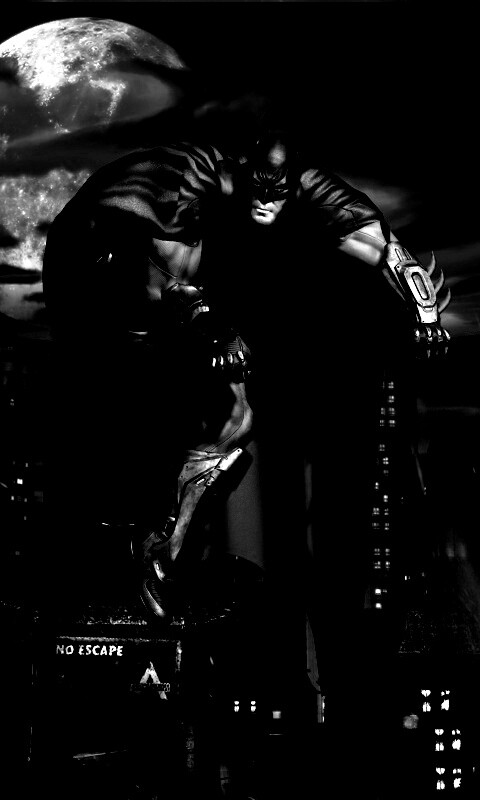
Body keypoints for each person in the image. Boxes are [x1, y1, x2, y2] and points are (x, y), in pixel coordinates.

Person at [42, 130, 450, 620]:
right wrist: (214, 332)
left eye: (277, 192)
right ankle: (107, 528)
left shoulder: (308, 187)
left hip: (186, 302)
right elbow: (165, 286)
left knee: (237, 420)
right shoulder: (187, 184)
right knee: (135, 407)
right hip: (92, 279)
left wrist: (426, 315)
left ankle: (163, 553)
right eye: (257, 189)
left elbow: (385, 248)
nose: (265, 202)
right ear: (239, 174)